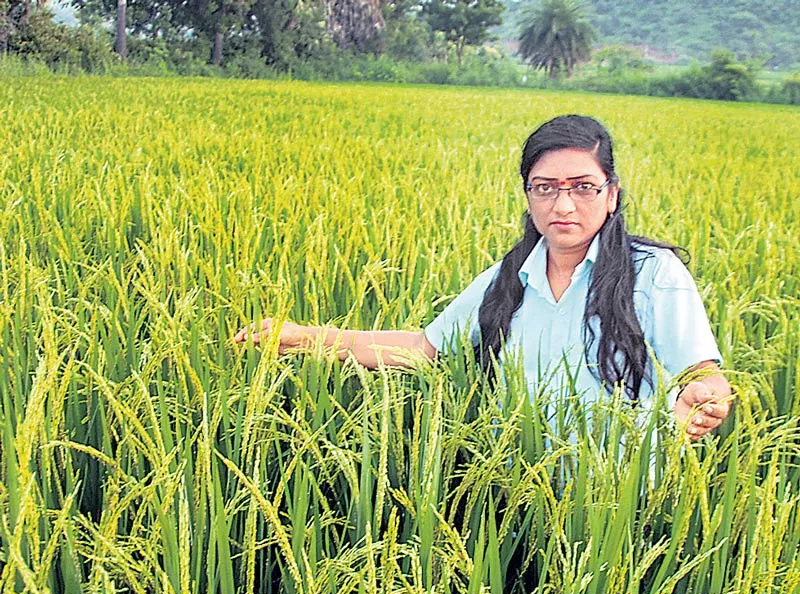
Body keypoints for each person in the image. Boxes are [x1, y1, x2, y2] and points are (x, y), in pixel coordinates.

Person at [234, 115, 732, 439]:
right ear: (528, 195)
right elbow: (425, 349)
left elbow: (702, 373)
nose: (563, 204)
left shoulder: (653, 274)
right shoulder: (509, 278)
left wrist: (706, 398)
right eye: (545, 188)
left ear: (612, 194)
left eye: (583, 187)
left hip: (615, 505)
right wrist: (306, 338)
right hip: (515, 493)